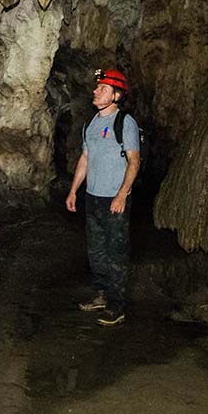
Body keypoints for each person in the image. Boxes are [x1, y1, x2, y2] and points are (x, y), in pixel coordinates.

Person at [65, 68, 140, 326]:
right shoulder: (91, 124)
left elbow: (134, 161)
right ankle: (101, 294)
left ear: (116, 95)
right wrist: (74, 190)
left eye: (103, 88)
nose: (96, 92)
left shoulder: (124, 123)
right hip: (92, 197)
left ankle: (117, 305)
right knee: (96, 250)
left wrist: (122, 194)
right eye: (97, 87)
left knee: (115, 252)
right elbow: (85, 158)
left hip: (114, 198)